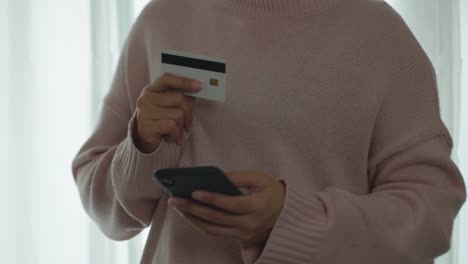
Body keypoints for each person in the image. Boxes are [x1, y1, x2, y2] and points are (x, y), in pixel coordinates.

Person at [72, 0, 466, 263]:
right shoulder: (164, 16)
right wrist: (139, 145)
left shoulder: (379, 34)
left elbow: (430, 214)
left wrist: (289, 221)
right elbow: (103, 205)